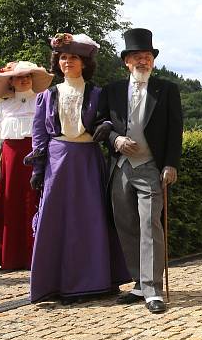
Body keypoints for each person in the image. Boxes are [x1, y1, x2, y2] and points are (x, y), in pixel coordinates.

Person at [27, 33, 130, 304]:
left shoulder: (98, 93)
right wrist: (38, 169)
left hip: (88, 160)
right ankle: (54, 285)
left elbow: (108, 122)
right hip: (57, 162)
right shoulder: (47, 96)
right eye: (63, 57)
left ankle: (97, 281)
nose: (67, 62)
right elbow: (39, 134)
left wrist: (106, 125)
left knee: (90, 219)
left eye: (73, 57)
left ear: (84, 62)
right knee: (56, 221)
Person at [94, 28, 182, 315]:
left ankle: (153, 288)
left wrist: (171, 163)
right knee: (127, 225)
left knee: (149, 225)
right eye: (136, 57)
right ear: (126, 61)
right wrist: (115, 140)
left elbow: (174, 131)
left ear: (153, 61)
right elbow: (100, 123)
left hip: (150, 167)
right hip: (120, 167)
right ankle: (138, 283)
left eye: (147, 56)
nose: (142, 61)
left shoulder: (167, 89)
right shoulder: (112, 90)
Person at [0, 61, 53, 270]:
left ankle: (38, 254)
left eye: (27, 76)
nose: (24, 80)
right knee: (11, 203)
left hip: (39, 156)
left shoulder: (44, 100)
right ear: (11, 81)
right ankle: (12, 256)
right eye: (18, 76)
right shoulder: (4, 105)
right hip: (11, 159)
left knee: (37, 201)